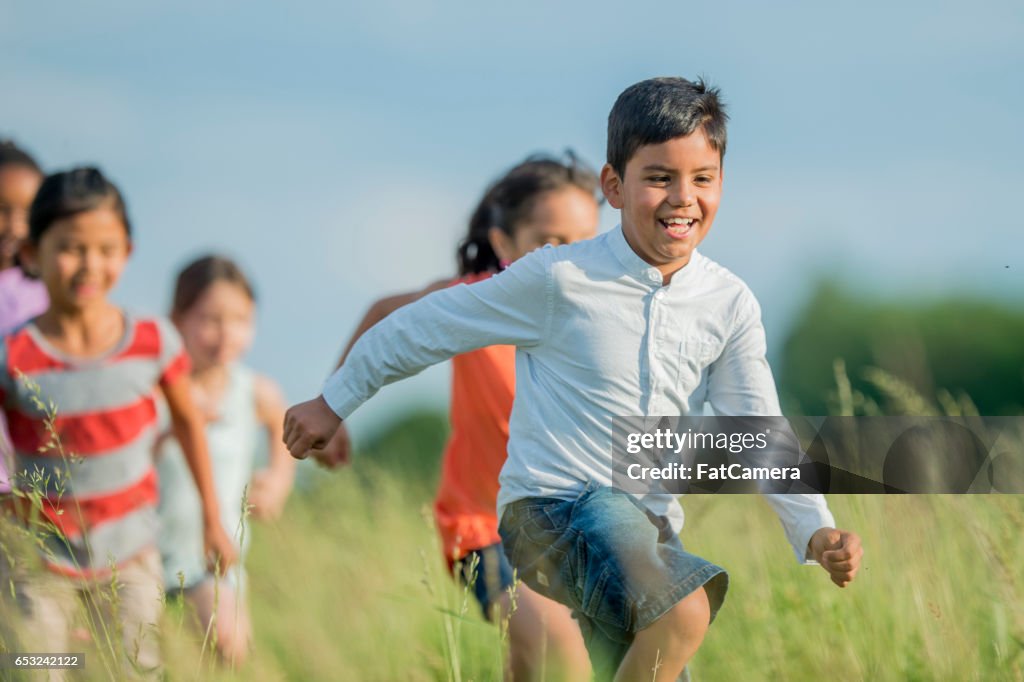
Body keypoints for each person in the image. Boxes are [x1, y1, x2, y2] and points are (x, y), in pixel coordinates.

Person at [284, 77, 864, 681]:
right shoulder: (560, 279)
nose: (682, 198)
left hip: (645, 531)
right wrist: (334, 400)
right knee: (685, 610)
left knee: (660, 653)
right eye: (659, 177)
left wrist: (815, 529)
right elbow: (427, 324)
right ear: (614, 186)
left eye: (702, 179)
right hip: (554, 510)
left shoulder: (729, 303)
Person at [326, 154, 599, 681]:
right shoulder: (475, 302)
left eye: (583, 240)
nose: (568, 257)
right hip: (482, 530)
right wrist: (335, 409)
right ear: (503, 244)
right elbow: (386, 313)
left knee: (539, 661)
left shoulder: (603, 316)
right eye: (550, 239)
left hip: (574, 527)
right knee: (555, 644)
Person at [0, 167, 236, 678]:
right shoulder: (13, 354)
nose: (89, 265)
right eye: (70, 248)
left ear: (127, 251)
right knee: (37, 667)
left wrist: (213, 522)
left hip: (129, 558)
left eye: (106, 249)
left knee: (130, 670)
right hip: (39, 564)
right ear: (30, 254)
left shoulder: (152, 341)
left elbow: (190, 424)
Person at [157, 254, 295, 665]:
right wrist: (174, 427)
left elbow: (283, 427)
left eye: (240, 320)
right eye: (210, 319)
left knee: (228, 648)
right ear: (177, 319)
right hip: (145, 552)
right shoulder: (156, 389)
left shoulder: (253, 390)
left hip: (216, 558)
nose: (225, 334)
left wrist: (278, 478)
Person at [0, 140, 46, 494]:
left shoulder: (46, 294)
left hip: (33, 483)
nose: (15, 226)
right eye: (2, 209)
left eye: (27, 213)